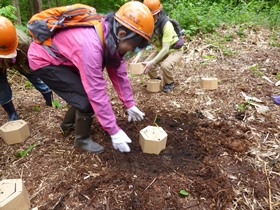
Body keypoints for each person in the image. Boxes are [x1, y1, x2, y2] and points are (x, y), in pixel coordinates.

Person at [27, 1, 154, 153]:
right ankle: (81, 140)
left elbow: (119, 73)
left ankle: (66, 126)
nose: (128, 52)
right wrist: (113, 129)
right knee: (86, 98)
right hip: (45, 60)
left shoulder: (109, 35)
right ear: (122, 34)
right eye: (130, 47)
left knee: (79, 92)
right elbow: (96, 90)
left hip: (64, 58)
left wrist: (129, 104)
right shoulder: (91, 45)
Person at [0, 16, 53, 121]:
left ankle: (49, 99)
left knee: (32, 74)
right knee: (1, 87)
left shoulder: (23, 42)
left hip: (19, 54)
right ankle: (12, 114)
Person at [132, 0, 184, 93]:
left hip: (174, 49)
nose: (151, 17)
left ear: (158, 13)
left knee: (166, 65)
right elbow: (144, 42)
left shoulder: (166, 25)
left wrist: (153, 62)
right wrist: (138, 57)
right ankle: (157, 80)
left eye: (153, 15)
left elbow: (166, 48)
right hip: (161, 49)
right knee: (147, 65)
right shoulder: (147, 25)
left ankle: (169, 83)